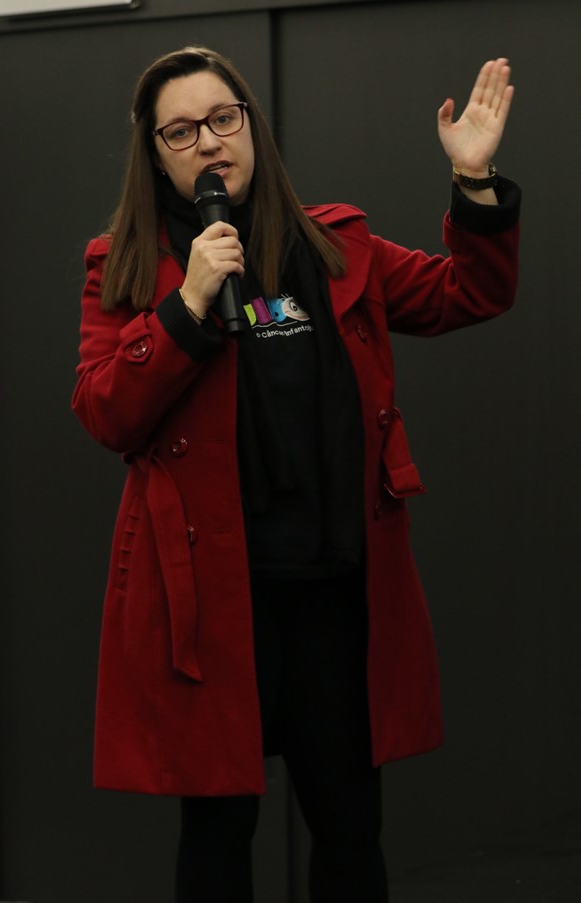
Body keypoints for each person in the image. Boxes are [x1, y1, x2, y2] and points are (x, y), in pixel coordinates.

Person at [72, 46, 520, 902]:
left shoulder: (336, 245)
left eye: (222, 118)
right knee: (218, 830)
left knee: (349, 823)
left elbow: (470, 292)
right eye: (181, 131)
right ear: (156, 155)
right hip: (211, 603)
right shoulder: (123, 264)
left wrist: (474, 180)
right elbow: (105, 411)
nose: (209, 141)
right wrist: (188, 304)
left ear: (251, 125)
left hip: (333, 592)